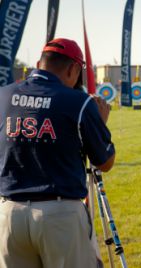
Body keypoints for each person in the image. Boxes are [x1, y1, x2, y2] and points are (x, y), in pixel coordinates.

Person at [0, 38, 115, 268]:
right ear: (74, 68)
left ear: (38, 63)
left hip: (8, 214)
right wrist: (100, 124)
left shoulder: (3, 95)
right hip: (60, 216)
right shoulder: (79, 102)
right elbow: (104, 162)